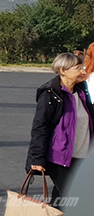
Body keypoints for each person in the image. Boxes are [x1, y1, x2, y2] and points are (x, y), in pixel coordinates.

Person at [26, 52, 93, 208]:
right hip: (60, 158)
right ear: (63, 70)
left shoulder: (83, 91)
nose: (83, 71)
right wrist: (37, 158)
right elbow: (40, 127)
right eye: (78, 68)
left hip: (83, 156)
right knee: (73, 198)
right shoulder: (50, 94)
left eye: (82, 67)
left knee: (62, 199)